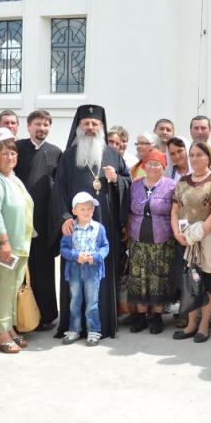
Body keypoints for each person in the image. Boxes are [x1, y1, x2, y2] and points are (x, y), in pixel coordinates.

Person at [50, 104, 131, 339]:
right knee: (75, 279)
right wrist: (65, 216)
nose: (90, 128)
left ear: (102, 127)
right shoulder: (68, 157)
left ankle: (99, 326)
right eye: (86, 124)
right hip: (75, 227)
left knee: (100, 276)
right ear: (78, 127)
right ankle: (74, 326)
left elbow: (128, 182)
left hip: (103, 225)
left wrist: (117, 180)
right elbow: (59, 190)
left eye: (95, 124)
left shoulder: (113, 154)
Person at [0, 136, 34, 353]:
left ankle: (9, 327)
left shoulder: (15, 178)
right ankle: (0, 332)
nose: (10, 157)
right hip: (4, 247)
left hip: (20, 246)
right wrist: (3, 241)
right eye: (4, 153)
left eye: (13, 153)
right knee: (1, 290)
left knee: (12, 290)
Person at [170, 142, 211, 342]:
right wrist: (177, 233)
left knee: (206, 285)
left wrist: (197, 234)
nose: (194, 158)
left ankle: (203, 324)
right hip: (184, 241)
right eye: (191, 155)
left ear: (208, 157)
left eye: (199, 155)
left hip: (204, 240)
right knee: (190, 283)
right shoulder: (182, 181)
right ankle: (191, 323)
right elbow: (174, 211)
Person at [15, 110, 62, 330]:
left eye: (46, 125)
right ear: (28, 126)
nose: (42, 128)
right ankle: (22, 317)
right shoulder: (16, 149)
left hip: (44, 219)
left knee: (43, 268)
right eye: (38, 124)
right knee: (21, 269)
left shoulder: (55, 152)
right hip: (19, 219)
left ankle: (46, 315)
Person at [127, 150, 177, 334]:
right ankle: (140, 316)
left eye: (158, 164)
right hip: (137, 239)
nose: (153, 167)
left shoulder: (172, 186)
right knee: (138, 277)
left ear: (164, 167)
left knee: (158, 278)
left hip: (162, 241)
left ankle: (156, 316)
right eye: (150, 163)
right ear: (143, 166)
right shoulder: (134, 185)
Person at [60, 192, 110, 346]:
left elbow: (105, 247)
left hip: (92, 269)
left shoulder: (98, 228)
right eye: (82, 209)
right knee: (75, 300)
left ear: (93, 211)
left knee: (92, 301)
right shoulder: (70, 229)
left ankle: (94, 331)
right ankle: (74, 329)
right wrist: (76, 256)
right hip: (75, 268)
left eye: (89, 208)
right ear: (74, 211)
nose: (86, 212)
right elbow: (64, 249)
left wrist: (95, 257)